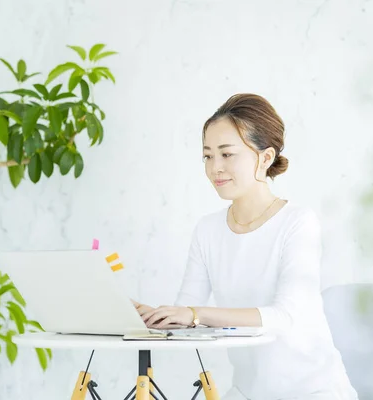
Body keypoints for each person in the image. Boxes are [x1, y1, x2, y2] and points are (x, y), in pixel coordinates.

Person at [133, 94, 358, 400]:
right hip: (248, 393)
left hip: (312, 392)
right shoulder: (207, 231)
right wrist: (154, 316)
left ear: (265, 158)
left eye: (227, 154)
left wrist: (193, 314)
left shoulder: (298, 223)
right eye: (208, 156)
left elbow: (285, 317)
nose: (215, 168)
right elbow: (189, 317)